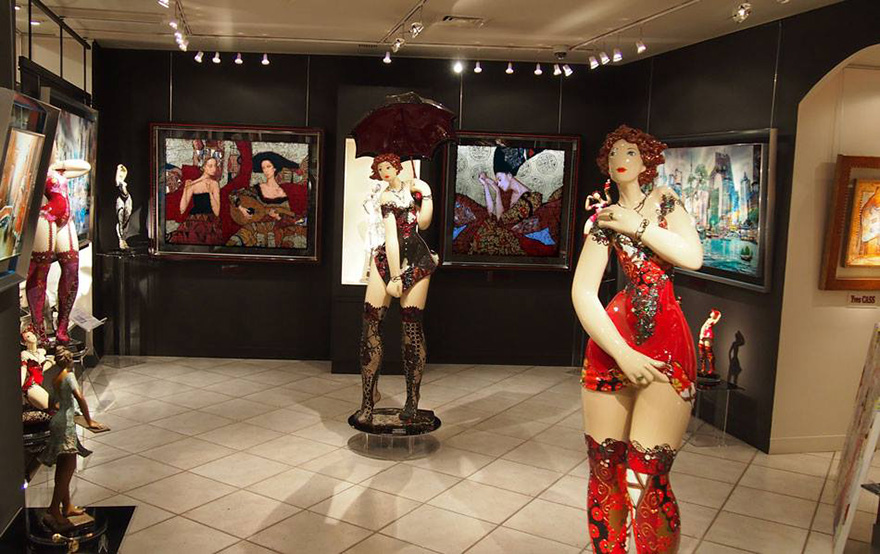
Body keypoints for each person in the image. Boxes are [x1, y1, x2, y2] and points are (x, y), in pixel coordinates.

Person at [572, 125, 703, 553]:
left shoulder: (664, 201)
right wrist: (621, 352)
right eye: (612, 154)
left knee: (647, 475)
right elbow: (582, 291)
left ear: (647, 159)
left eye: (629, 152)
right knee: (604, 467)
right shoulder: (605, 218)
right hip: (613, 340)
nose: (620, 160)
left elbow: (692, 256)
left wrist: (639, 225)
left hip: (666, 340)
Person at [354, 153, 438, 424]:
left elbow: (423, 224)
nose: (385, 172)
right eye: (380, 169)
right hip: (389, 259)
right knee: (370, 325)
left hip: (417, 259)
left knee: (411, 329)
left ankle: (413, 400)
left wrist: (426, 193)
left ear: (397, 167)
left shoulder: (413, 188)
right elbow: (391, 237)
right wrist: (395, 276)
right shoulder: (385, 197)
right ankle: (368, 398)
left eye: (388, 166)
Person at [26, 159, 91, 345]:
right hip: (46, 216)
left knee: (71, 269)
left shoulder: (58, 171)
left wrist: (56, 164)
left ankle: (62, 326)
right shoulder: (35, 167)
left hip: (64, 219)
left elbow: (86, 167)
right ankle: (39, 330)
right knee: (40, 272)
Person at [38, 347, 104, 529]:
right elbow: (80, 398)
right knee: (68, 468)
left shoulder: (56, 378)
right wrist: (89, 421)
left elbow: (52, 403)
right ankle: (54, 508)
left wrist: (63, 407)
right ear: (69, 361)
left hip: (58, 420)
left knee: (62, 467)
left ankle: (66, 506)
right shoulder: (69, 376)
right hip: (66, 425)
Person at [226, 152, 308, 248]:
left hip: (282, 231)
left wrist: (278, 218)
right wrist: (241, 208)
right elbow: (232, 195)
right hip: (257, 230)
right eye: (263, 168)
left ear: (275, 168)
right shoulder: (257, 189)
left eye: (268, 166)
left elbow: (301, 219)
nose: (266, 170)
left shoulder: (287, 191)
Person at [167, 155, 223, 245]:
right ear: (204, 167)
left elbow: (217, 212)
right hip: (193, 222)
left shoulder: (214, 184)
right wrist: (186, 189)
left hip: (209, 223)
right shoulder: (192, 184)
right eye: (210, 166)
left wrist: (210, 194)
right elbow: (182, 209)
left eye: (215, 165)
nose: (214, 169)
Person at [20, 323, 51, 410]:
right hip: (31, 385)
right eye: (28, 336)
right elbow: (23, 370)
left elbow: (41, 369)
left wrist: (52, 362)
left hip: (38, 383)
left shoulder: (41, 352)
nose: (32, 337)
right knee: (50, 407)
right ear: (24, 342)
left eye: (32, 334)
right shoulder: (25, 354)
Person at [698, 309, 722, 381]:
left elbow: (718, 318)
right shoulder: (708, 319)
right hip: (703, 335)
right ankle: (703, 368)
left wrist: (719, 314)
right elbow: (703, 327)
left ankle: (712, 369)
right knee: (701, 351)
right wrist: (701, 334)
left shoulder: (713, 321)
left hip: (708, 335)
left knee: (708, 351)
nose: (711, 313)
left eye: (713, 312)